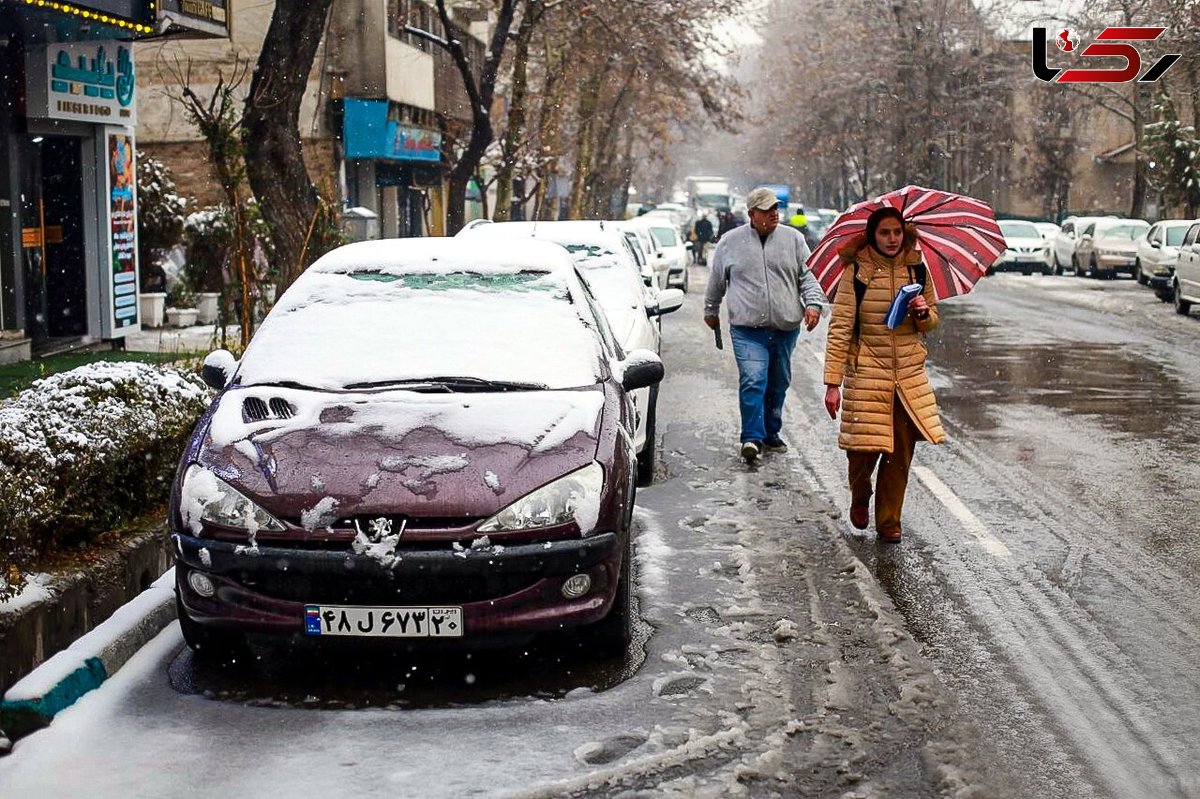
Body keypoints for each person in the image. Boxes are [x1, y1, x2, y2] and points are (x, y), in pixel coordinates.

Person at [822, 206, 946, 543]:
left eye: (897, 232)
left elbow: (932, 320)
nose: (892, 239)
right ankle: (860, 494)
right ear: (872, 235)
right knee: (861, 450)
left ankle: (889, 520)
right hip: (866, 371)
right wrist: (833, 383)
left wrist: (923, 313)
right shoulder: (857, 272)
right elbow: (840, 328)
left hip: (907, 374)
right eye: (884, 233)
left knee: (900, 452)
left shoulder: (918, 269)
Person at [704, 187, 826, 463]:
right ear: (751, 214)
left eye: (776, 209)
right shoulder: (730, 242)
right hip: (747, 329)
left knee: (778, 382)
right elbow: (716, 281)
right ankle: (752, 437)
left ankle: (771, 432)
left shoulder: (793, 239)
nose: (774, 214)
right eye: (767, 210)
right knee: (754, 379)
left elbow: (808, 276)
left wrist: (814, 304)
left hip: (785, 327)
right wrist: (710, 309)